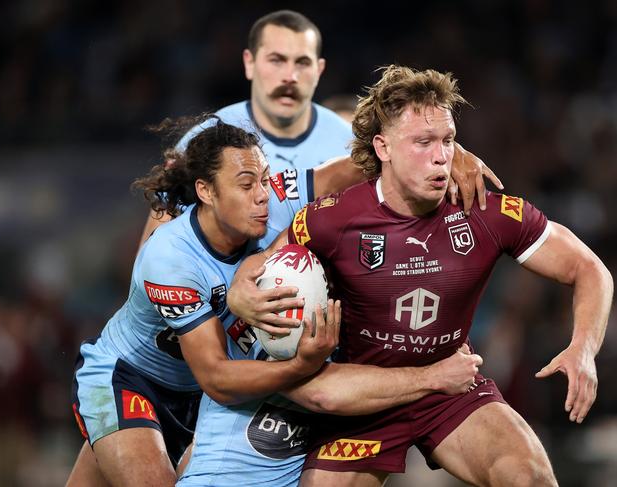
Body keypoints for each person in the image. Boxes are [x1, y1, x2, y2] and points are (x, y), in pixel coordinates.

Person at [235, 65, 613, 486]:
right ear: (383, 148)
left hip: (451, 389)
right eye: (423, 142)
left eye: (449, 141)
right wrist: (240, 294)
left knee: (530, 476)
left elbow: (589, 267)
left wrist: (583, 348)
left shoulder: (483, 211)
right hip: (365, 398)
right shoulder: (333, 219)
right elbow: (261, 267)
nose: (441, 156)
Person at [66, 115, 487, 487]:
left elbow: (367, 163)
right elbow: (216, 375)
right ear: (206, 192)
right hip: (131, 380)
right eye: (246, 185)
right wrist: (301, 366)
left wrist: (454, 153)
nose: (263, 195)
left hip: (201, 393)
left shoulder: (277, 201)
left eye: (265, 179)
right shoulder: (170, 258)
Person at [140, 9, 502, 244]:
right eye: (276, 60)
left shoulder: (349, 143)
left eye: (302, 62)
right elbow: (154, 254)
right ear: (249, 64)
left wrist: (453, 151)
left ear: (320, 69)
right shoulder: (207, 141)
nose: (289, 76)